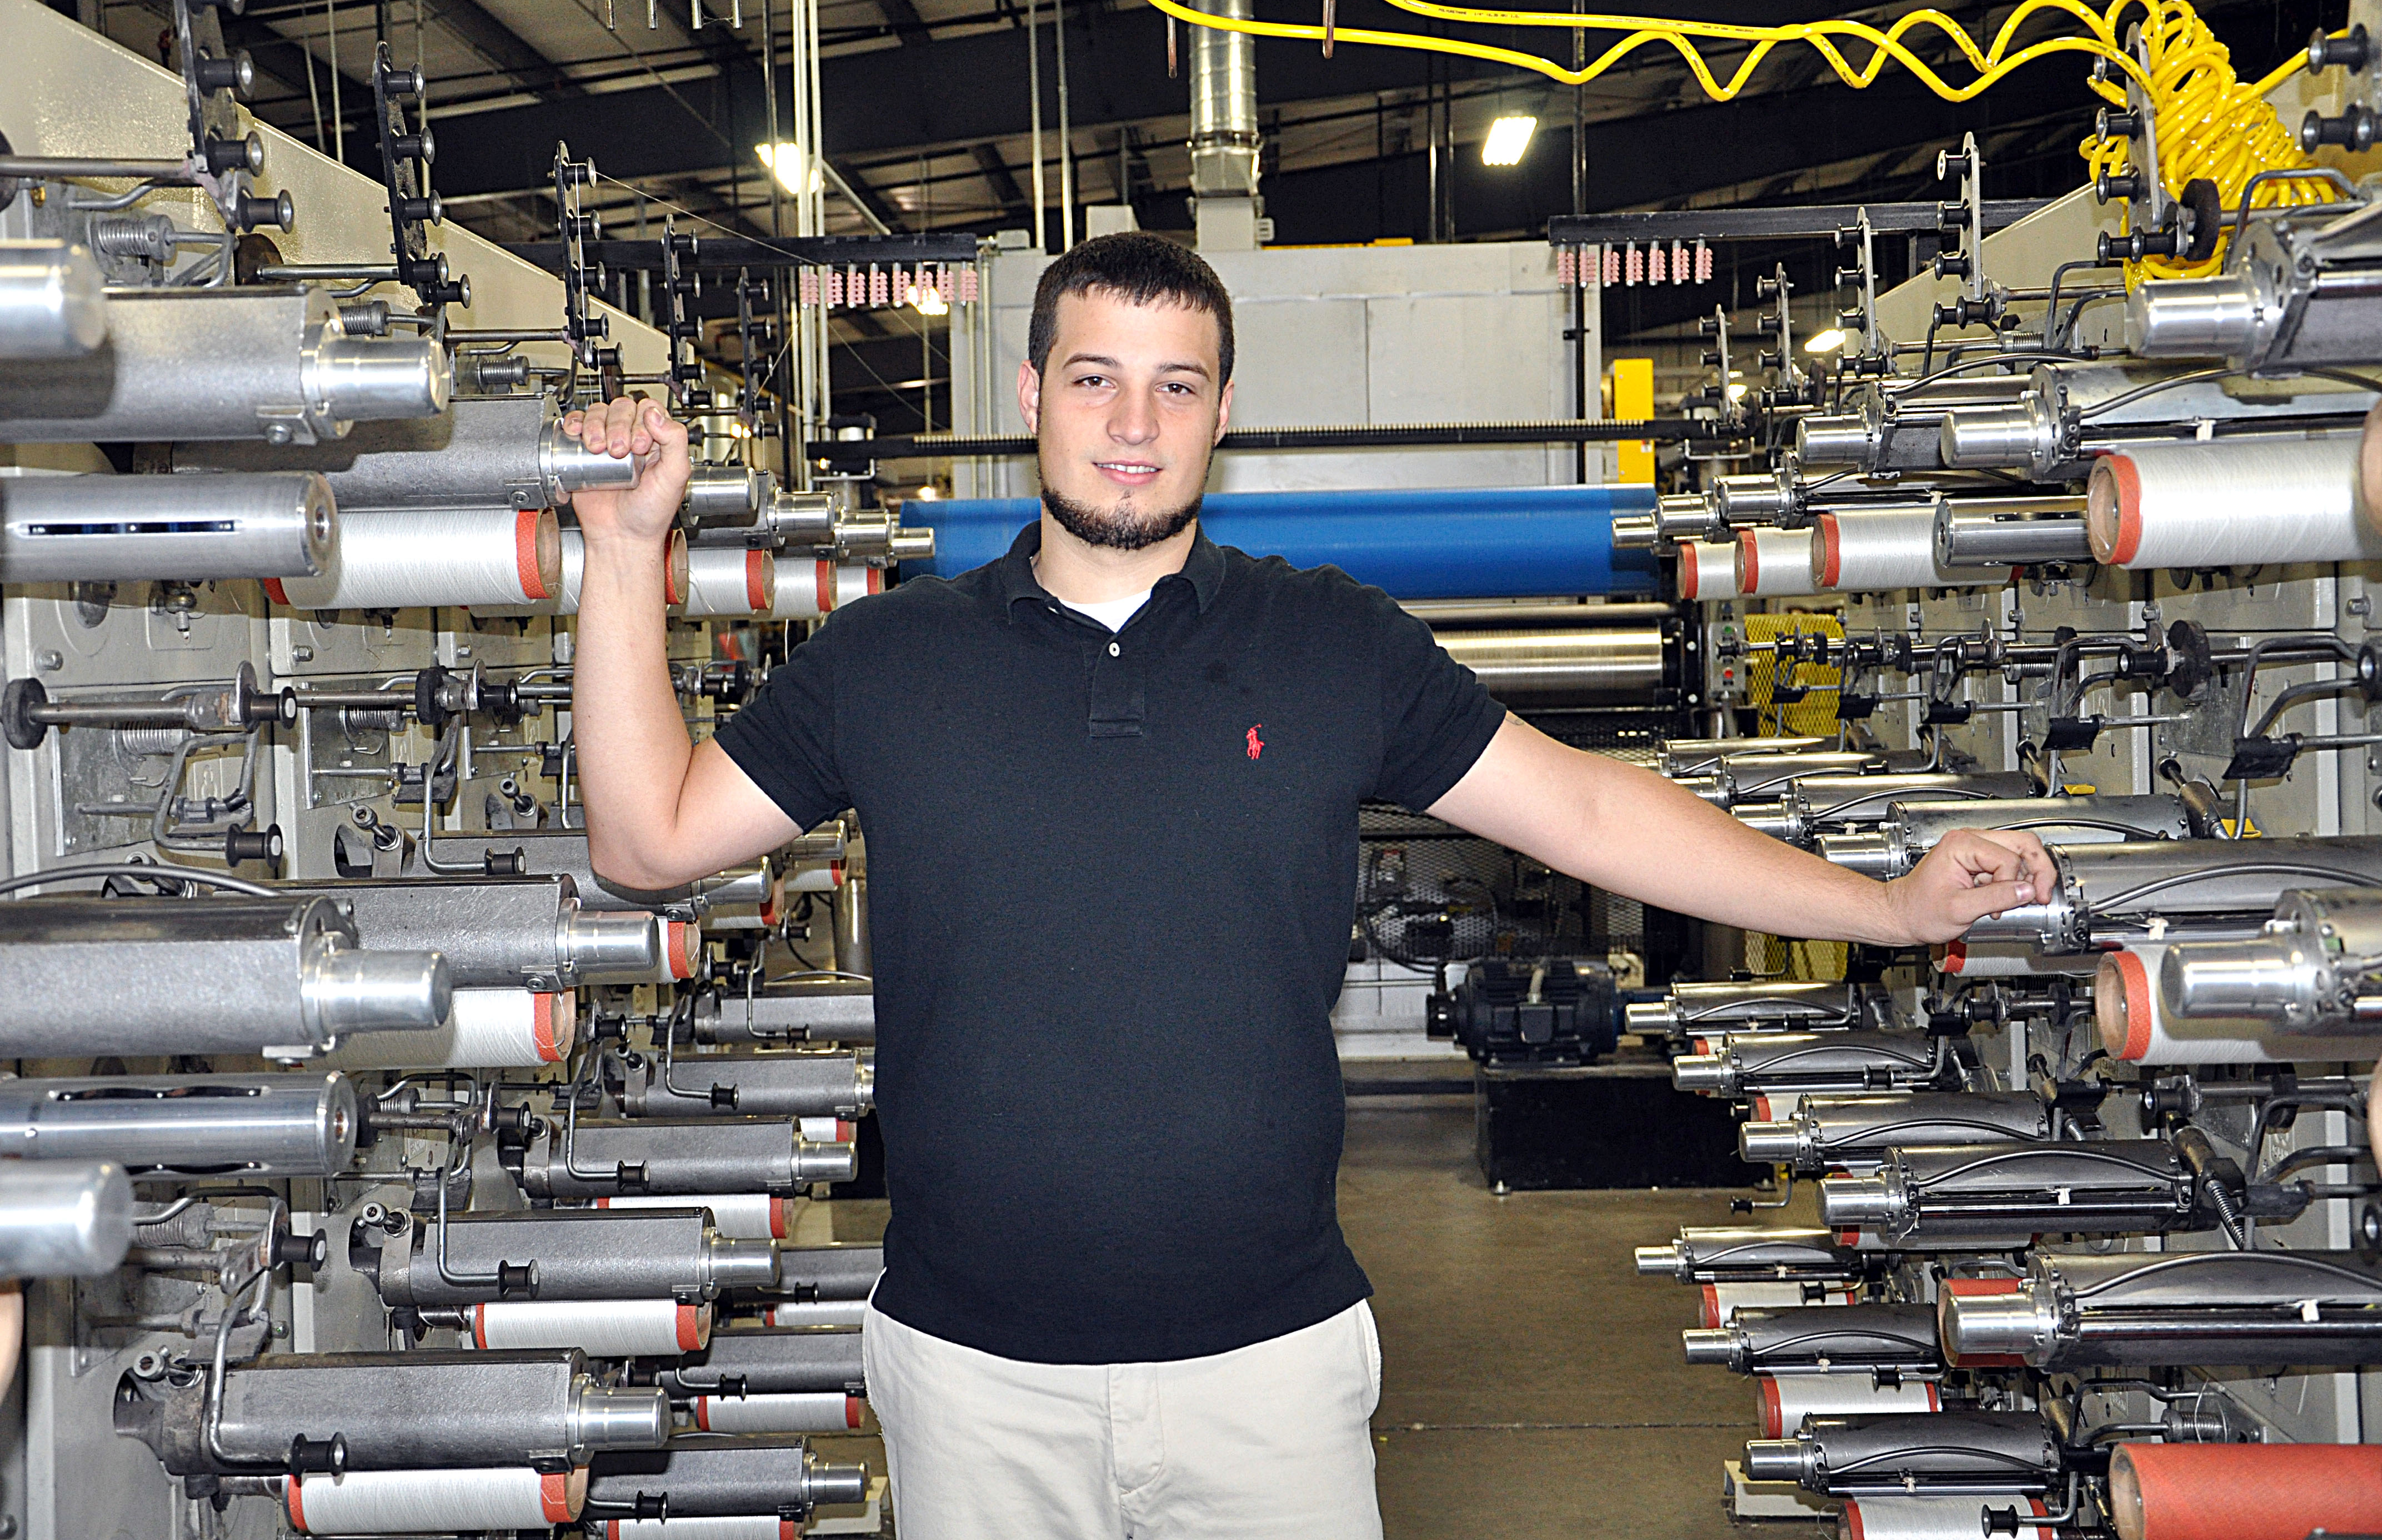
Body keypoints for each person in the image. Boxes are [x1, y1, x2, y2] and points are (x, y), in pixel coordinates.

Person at [561, 232, 2048, 1540]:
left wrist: (1885, 906)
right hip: (972, 1374)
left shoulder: (1333, 645)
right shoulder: (890, 660)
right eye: (1094, 380)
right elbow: (647, 841)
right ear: (1028, 399)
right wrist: (623, 557)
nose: (1132, 426)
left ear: (1224, 409)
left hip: (1270, 1370)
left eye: (1175, 386)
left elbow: (1592, 811)